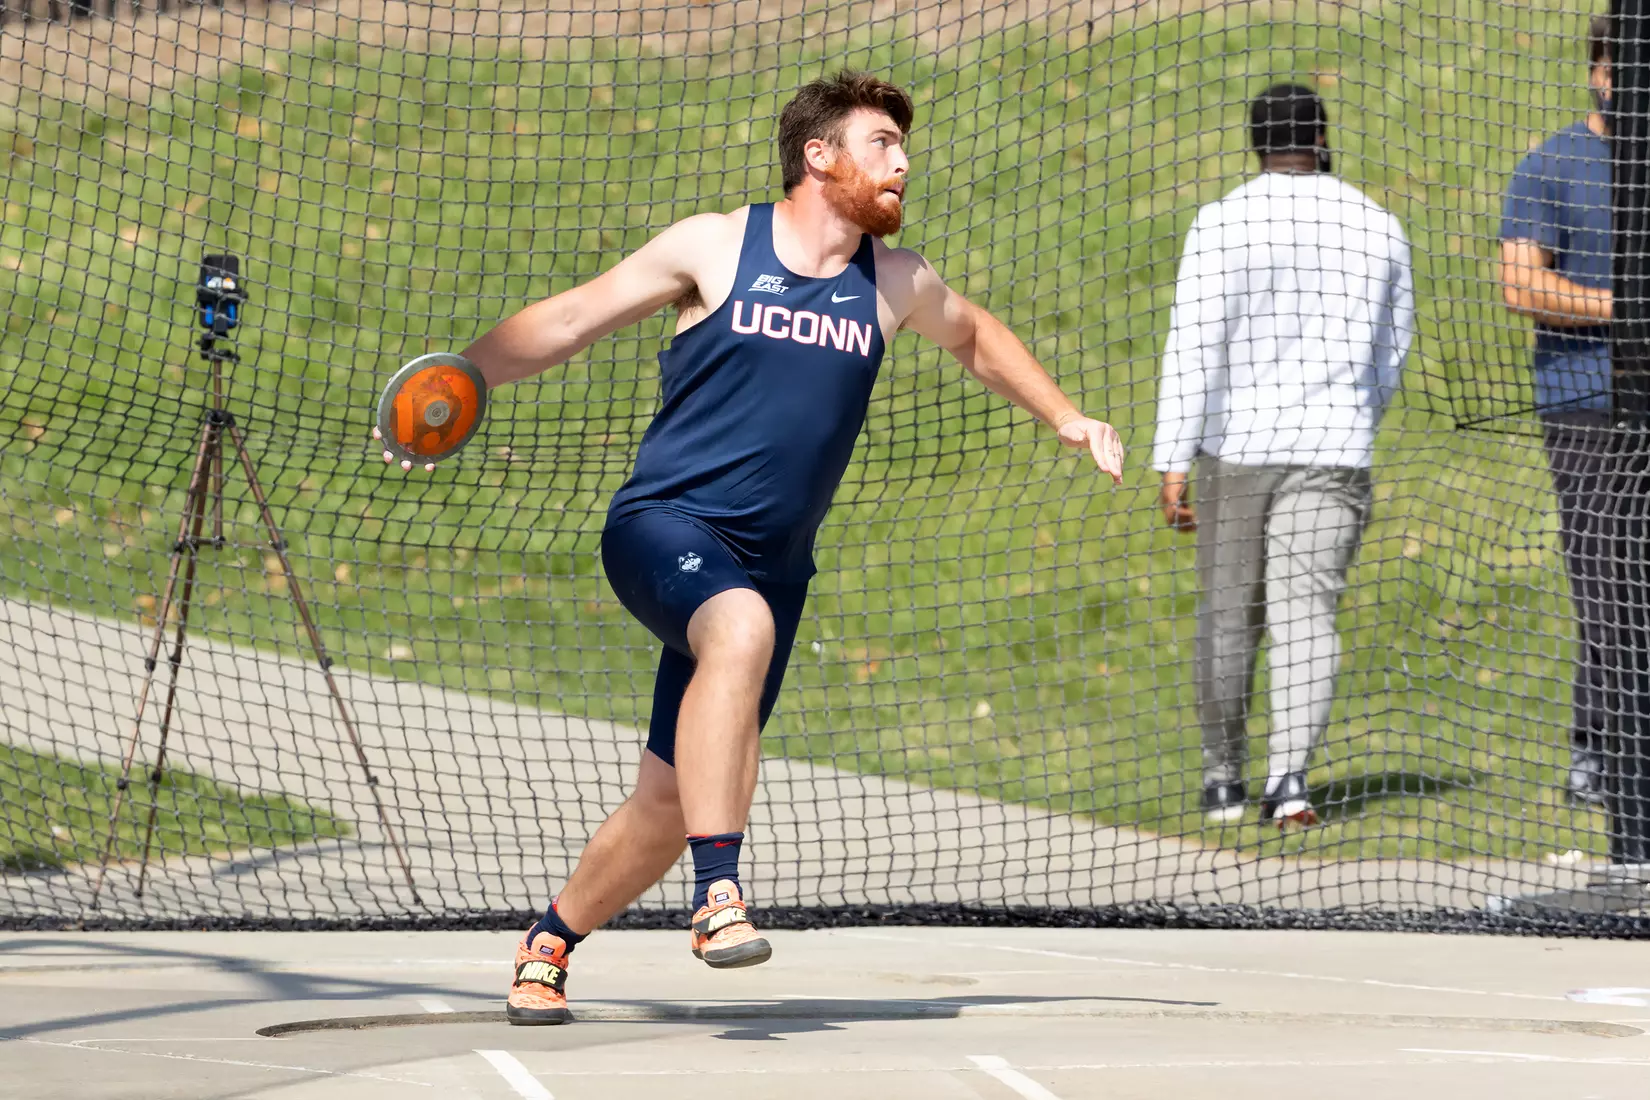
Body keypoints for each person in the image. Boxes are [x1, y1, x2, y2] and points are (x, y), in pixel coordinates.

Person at [374, 71, 1124, 1023]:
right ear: (821, 156)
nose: (902, 163)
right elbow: (568, 318)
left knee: (664, 805)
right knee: (738, 630)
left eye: (903, 147)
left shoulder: (894, 282)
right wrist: (456, 381)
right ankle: (719, 893)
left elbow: (974, 336)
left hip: (774, 565)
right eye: (882, 144)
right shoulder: (717, 245)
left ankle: (549, 943)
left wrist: (1066, 416)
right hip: (665, 526)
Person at [1153, 83, 1415, 827]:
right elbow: (1392, 352)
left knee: (1229, 616)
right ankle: (1289, 784)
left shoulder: (1223, 222)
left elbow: (1193, 348)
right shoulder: (1378, 224)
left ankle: (1222, 780)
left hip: (1233, 447)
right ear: (1323, 139)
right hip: (1335, 446)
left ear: (1257, 143)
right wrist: (1358, 414)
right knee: (1309, 616)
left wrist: (1173, 457)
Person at [1500, 13, 1615, 806]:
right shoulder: (1551, 164)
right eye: (1625, 65)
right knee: (1606, 577)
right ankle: (1599, 751)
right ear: (1597, 72)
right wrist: (1624, 309)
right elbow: (1521, 285)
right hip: (1588, 405)